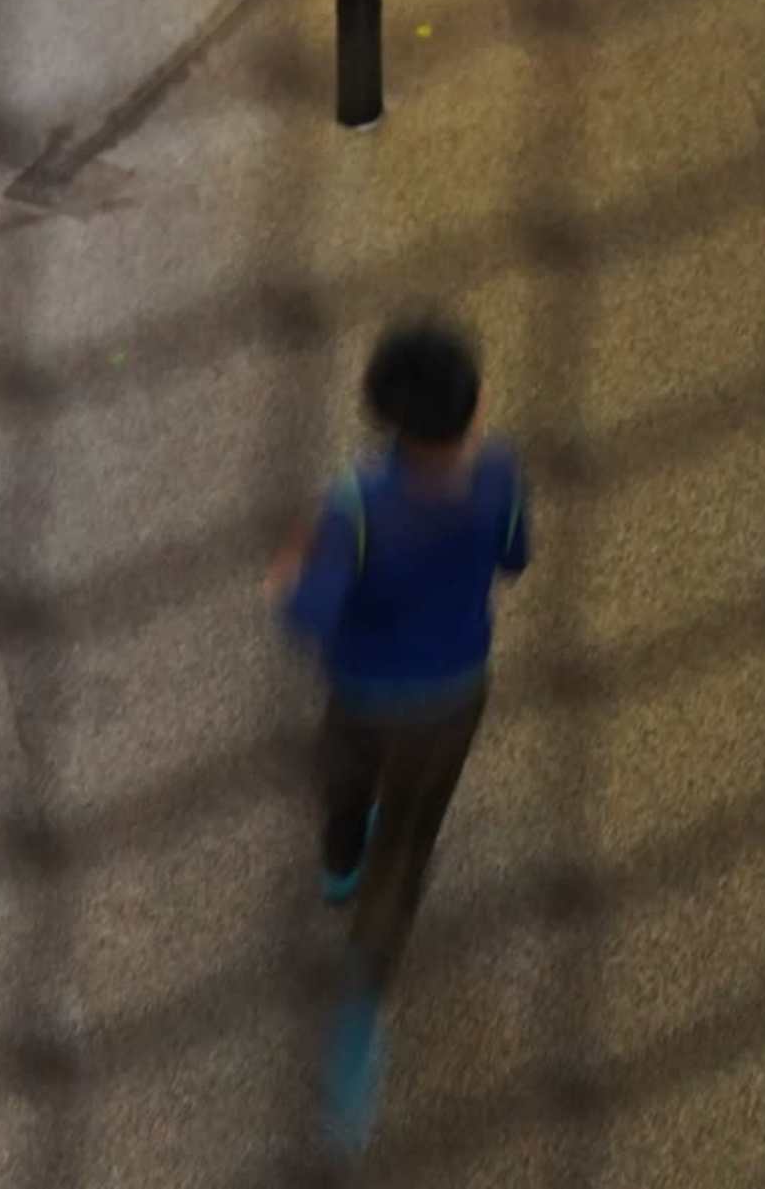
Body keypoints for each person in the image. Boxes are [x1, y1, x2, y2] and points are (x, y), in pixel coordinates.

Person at [274, 314, 531, 1155]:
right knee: (410, 842)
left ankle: (338, 866)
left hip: (360, 701)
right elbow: (513, 558)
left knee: (344, 794)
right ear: (477, 402)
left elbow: (305, 618)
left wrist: (287, 570)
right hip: (451, 700)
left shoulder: (353, 505)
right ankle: (358, 1023)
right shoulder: (499, 477)